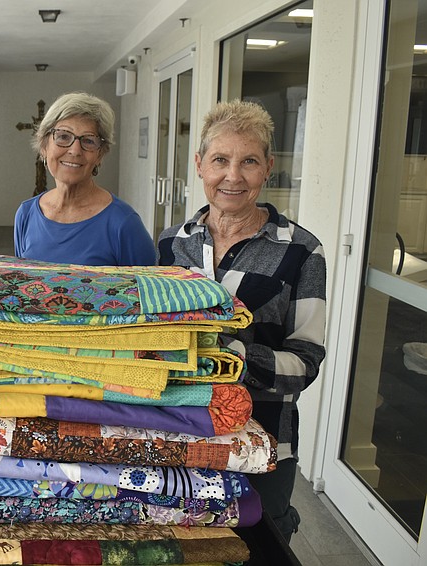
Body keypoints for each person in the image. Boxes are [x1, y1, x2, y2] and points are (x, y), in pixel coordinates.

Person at [157, 99, 327, 542]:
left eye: (249, 161)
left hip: (265, 436)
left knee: (258, 541)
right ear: (199, 165)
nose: (233, 176)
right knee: (184, 541)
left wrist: (228, 355)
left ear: (268, 167)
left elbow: (306, 362)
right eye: (220, 160)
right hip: (179, 428)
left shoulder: (302, 252)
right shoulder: (171, 244)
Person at [14, 92, 155, 266]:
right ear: (44, 146)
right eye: (63, 136)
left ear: (100, 154)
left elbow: (148, 290)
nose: (75, 150)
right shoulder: (26, 214)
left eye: (88, 141)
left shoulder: (123, 223)